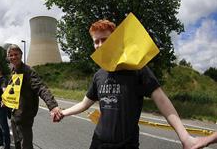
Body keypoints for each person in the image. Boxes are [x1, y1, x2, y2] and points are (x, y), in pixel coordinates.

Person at [56, 19, 197, 149]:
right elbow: (84, 104)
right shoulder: (99, 75)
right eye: (96, 41)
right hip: (98, 142)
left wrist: (184, 137)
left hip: (126, 145)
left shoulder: (137, 68)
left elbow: (162, 100)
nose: (99, 45)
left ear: (116, 40)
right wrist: (63, 113)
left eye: (104, 39)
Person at [6, 44, 62, 149]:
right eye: (11, 55)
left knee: (26, 146)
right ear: (8, 57)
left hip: (24, 116)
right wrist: (5, 100)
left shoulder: (28, 71)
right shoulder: (13, 72)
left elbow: (41, 87)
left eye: (16, 54)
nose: (13, 57)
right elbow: (12, 90)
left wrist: (52, 105)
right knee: (17, 143)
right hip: (14, 115)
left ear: (21, 55)